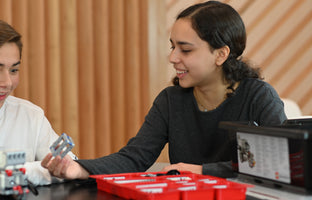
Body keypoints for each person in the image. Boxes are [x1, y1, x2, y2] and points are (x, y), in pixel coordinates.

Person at [41, 1, 287, 180]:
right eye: (172, 47)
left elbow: (279, 165)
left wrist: (202, 171)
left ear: (220, 54)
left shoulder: (259, 97)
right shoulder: (170, 100)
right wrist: (80, 168)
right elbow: (134, 158)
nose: (172, 57)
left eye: (185, 50)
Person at [0, 17, 77, 195]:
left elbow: (69, 169)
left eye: (14, 70)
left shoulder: (30, 116)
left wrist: (5, 173)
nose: (7, 82)